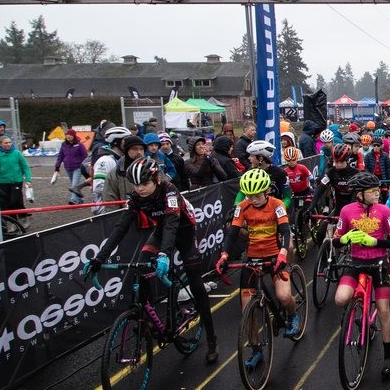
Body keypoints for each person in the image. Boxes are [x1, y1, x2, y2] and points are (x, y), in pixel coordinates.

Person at [86, 157, 219, 363]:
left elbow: (172, 223)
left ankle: (212, 340)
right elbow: (121, 228)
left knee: (196, 284)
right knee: (140, 268)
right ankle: (145, 320)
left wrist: (164, 254)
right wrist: (99, 258)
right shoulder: (137, 197)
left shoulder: (170, 191)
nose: (139, 189)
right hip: (160, 230)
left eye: (144, 184)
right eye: (135, 185)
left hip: (183, 231)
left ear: (156, 179)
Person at [215, 169, 299, 370]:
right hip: (252, 258)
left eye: (257, 195)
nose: (253, 199)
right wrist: (224, 255)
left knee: (285, 297)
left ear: (267, 190)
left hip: (273, 256)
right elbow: (232, 234)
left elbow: (285, 231)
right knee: (247, 310)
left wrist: (282, 253)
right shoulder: (242, 207)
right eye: (249, 195)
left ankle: (292, 315)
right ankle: (256, 350)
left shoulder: (277, 205)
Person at [332, 172, 390, 380]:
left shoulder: (384, 210)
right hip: (356, 262)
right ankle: (353, 313)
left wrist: (375, 242)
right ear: (360, 194)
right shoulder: (346, 211)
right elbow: (335, 241)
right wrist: (345, 238)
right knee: (340, 298)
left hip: (379, 263)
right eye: (372, 191)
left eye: (377, 190)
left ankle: (388, 358)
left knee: (383, 311)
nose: (378, 193)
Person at [0, 135, 31, 223]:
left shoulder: (17, 153)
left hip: (16, 181)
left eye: (10, 142)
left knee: (15, 200)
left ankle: (23, 216)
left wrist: (28, 179)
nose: (8, 144)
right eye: (6, 143)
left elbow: (25, 167)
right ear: (0, 144)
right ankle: (13, 222)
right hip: (3, 182)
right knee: (6, 202)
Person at [55, 129, 88, 204]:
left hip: (78, 167)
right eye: (67, 135)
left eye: (70, 135)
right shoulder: (63, 144)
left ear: (74, 136)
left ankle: (74, 200)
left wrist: (85, 166)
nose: (68, 136)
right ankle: (80, 199)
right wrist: (57, 166)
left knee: (74, 184)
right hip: (68, 168)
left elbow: (85, 156)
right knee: (74, 184)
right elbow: (60, 156)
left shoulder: (80, 145)